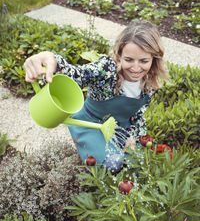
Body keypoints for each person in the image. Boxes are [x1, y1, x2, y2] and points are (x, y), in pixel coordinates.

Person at [24, 20, 168, 173]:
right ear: (119, 55)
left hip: (120, 127)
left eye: (144, 61)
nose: (136, 68)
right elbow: (78, 74)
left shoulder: (150, 83)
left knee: (138, 165)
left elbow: (137, 116)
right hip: (90, 124)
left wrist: (133, 136)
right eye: (128, 59)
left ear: (154, 59)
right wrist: (51, 59)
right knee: (112, 165)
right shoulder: (106, 69)